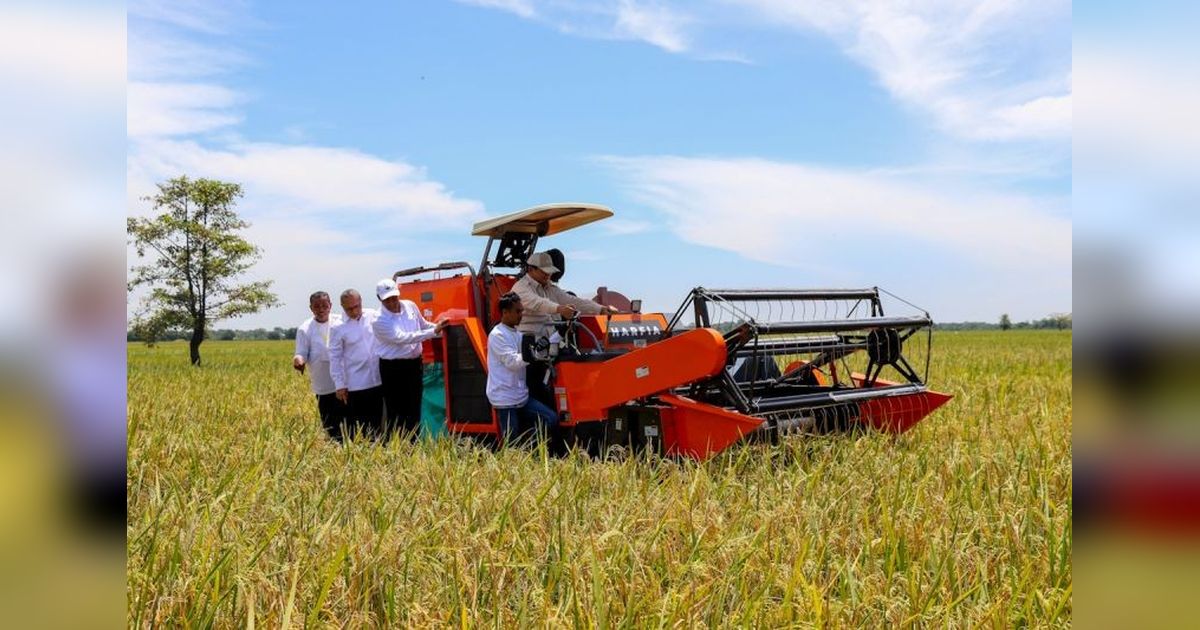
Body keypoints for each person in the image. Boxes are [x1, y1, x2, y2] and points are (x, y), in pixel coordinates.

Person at [512, 250, 619, 406]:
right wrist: (559, 309)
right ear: (531, 269)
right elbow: (538, 303)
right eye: (544, 272)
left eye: (549, 272)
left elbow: (572, 300)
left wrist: (600, 309)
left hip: (549, 345)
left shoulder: (549, 288)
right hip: (529, 349)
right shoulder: (520, 288)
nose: (548, 276)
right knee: (536, 387)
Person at [372, 277, 447, 440]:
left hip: (414, 365)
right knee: (396, 409)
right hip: (393, 368)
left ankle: (413, 443)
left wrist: (440, 328)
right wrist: (434, 332)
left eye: (394, 297)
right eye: (388, 300)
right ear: (380, 299)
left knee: (414, 406)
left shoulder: (410, 306)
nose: (392, 302)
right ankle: (397, 445)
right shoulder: (378, 320)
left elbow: (423, 324)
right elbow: (403, 338)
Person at [486, 292, 558, 445]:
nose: (522, 314)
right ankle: (519, 454)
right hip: (505, 399)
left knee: (551, 419)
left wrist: (548, 343)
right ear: (505, 312)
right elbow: (512, 362)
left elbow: (528, 354)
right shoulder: (497, 335)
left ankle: (526, 449)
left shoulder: (517, 334)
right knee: (511, 444)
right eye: (518, 311)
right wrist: (533, 353)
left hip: (521, 397)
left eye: (522, 310)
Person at [328, 289, 384, 440]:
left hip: (380, 379)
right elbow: (334, 356)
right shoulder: (337, 327)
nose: (354, 311)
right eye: (349, 309)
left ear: (361, 302)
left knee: (382, 423)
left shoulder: (373, 316)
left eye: (356, 306)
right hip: (357, 384)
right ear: (342, 307)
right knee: (364, 426)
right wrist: (339, 384)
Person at [293, 291, 346, 441]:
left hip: (344, 381)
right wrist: (299, 360)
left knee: (349, 420)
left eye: (324, 305)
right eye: (317, 306)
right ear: (311, 308)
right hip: (323, 384)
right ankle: (335, 449)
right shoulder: (305, 329)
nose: (321, 309)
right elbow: (301, 352)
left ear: (330, 305)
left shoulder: (341, 321)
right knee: (331, 423)